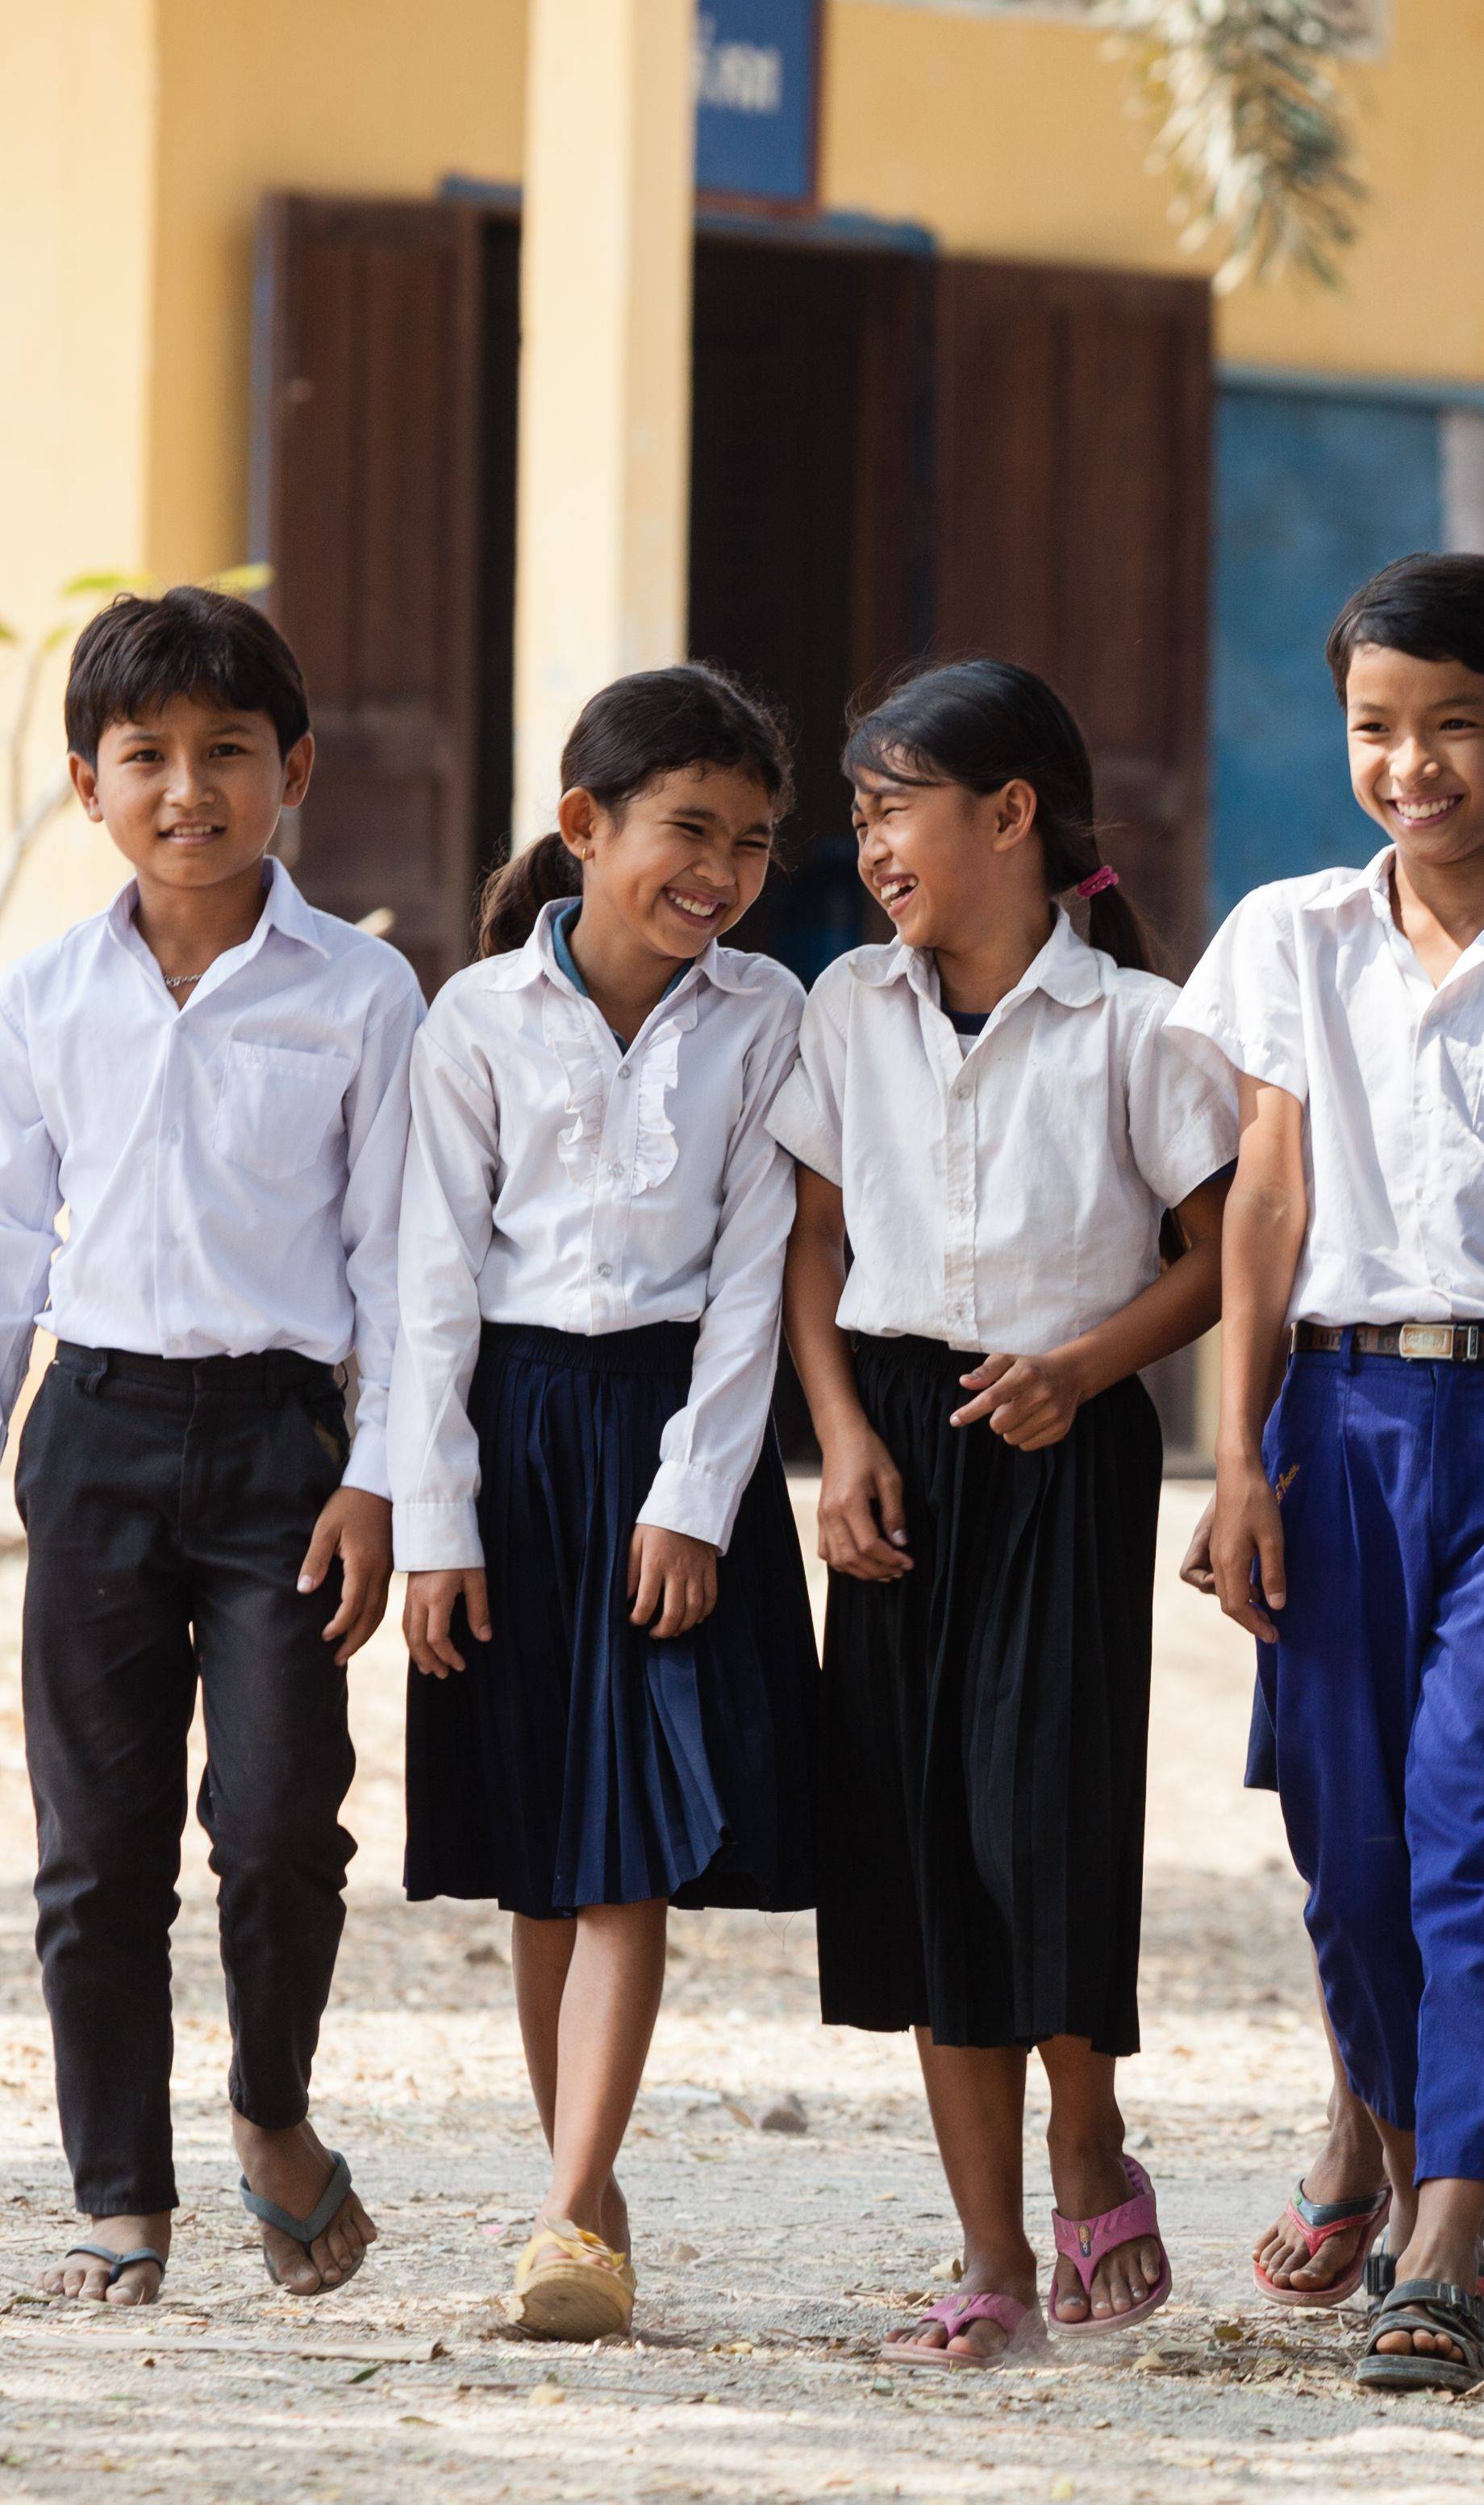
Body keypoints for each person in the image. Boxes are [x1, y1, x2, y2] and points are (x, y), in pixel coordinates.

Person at [1183, 553, 1484, 2399]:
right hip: (1334, 1423)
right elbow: (1266, 1209)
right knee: (1353, 1848)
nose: (1411, 765)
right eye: (1377, 728)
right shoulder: (1292, 936)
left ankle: (1448, 2235)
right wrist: (1234, 1464)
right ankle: (1389, 2170)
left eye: (1455, 726)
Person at [775, 661, 1236, 2369]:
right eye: (862, 806)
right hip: (893, 1428)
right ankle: (987, 2257)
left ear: (1011, 814)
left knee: (1037, 1817)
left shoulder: (1138, 1024)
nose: (869, 839)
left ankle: (1084, 2130)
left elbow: (1218, 1258)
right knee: (911, 1837)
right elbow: (811, 1250)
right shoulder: (844, 1007)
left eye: (894, 801)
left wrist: (1086, 1364)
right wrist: (835, 1440)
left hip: (1067, 1440)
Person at [2, 587, 422, 2307]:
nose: (190, 788)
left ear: (293, 770)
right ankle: (121, 2190)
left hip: (278, 1451)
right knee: (97, 1853)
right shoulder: (43, 996)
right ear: (90, 783)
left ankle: (269, 2113)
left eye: (227, 752)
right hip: (91, 1435)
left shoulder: (362, 991)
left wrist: (382, 1474)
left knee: (274, 1822)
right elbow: (12, 1240)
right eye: (148, 757)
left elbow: (402, 1263)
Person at [392, 665, 819, 2341]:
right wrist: (435, 1513)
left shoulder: (766, 1014)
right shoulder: (476, 1018)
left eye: (754, 841)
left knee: (632, 1831)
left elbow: (750, 1269)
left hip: (664, 1429)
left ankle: (569, 2210)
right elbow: (428, 1279)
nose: (719, 871)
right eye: (686, 830)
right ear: (586, 826)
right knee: (538, 1843)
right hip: (512, 1433)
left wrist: (697, 1497)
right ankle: (587, 2170)